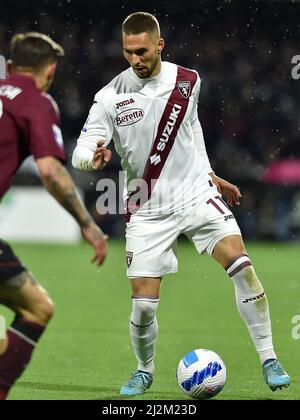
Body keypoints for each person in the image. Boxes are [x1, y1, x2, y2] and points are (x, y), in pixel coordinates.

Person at [72, 12, 290, 396]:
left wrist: (210, 174)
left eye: (141, 51)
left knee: (244, 269)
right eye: (127, 52)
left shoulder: (189, 80)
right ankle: (143, 370)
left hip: (194, 192)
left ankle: (269, 358)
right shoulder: (109, 97)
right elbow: (80, 151)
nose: (135, 59)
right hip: (146, 203)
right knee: (143, 307)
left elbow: (191, 129)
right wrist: (93, 157)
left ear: (159, 45)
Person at [0, 32, 108, 400]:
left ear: (11, 67)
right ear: (50, 70)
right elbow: (50, 171)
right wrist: (88, 225)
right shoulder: (37, 103)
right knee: (37, 308)